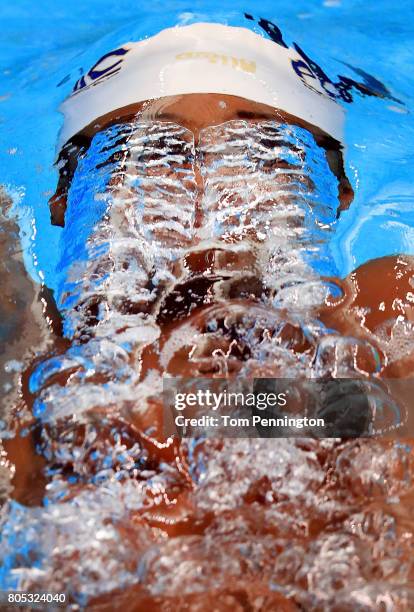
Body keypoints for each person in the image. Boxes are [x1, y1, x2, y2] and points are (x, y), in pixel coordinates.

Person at [3, 22, 414, 607]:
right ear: (64, 201)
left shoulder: (379, 311)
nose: (203, 185)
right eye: (146, 154)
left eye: (259, 153)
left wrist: (173, 408)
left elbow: (389, 420)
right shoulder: (25, 355)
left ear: (338, 194)